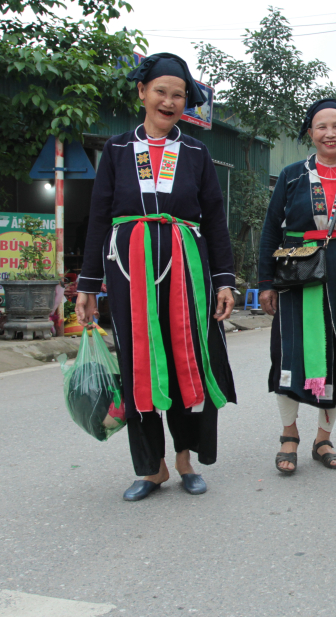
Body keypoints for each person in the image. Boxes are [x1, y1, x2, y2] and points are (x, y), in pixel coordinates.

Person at [75, 52, 237, 502]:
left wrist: (225, 280)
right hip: (129, 272)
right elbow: (98, 218)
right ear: (142, 93)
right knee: (139, 363)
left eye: (178, 95)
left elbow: (215, 220)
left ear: (187, 102)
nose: (169, 101)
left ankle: (185, 458)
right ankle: (151, 467)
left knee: (186, 356)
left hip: (187, 266)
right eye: (161, 91)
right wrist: (88, 286)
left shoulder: (197, 153)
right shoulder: (118, 150)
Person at [258, 98, 336, 474]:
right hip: (297, 280)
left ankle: (323, 438)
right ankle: (289, 434)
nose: (330, 133)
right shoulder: (293, 175)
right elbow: (269, 231)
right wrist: (265, 283)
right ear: (310, 133)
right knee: (289, 356)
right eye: (322, 126)